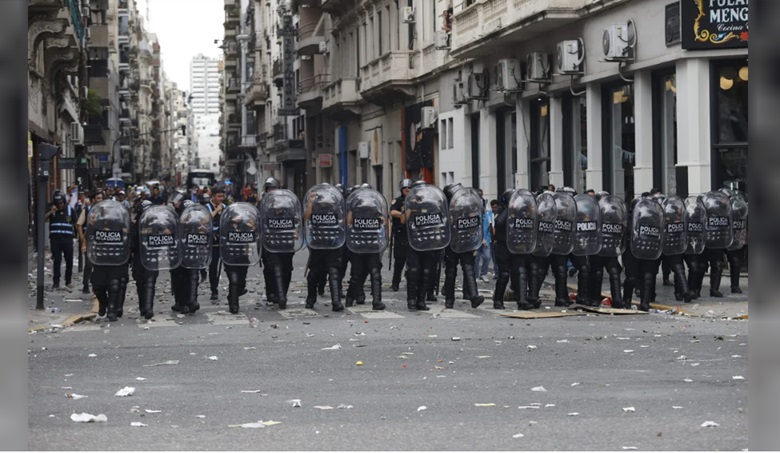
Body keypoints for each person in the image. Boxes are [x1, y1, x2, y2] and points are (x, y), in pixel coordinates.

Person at [303, 184, 346, 312]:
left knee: (333, 272)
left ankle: (336, 302)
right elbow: (306, 218)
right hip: (317, 244)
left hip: (332, 244)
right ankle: (310, 300)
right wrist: (310, 202)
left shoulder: (334, 208)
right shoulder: (314, 207)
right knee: (313, 274)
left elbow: (342, 223)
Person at [442, 184, 485, 309]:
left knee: (468, 268)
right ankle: (449, 299)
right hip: (451, 243)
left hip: (465, 242)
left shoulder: (465, 207)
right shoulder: (445, 209)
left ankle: (474, 296)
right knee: (451, 271)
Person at [344, 185, 386, 311]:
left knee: (375, 272)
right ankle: (350, 298)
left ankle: (377, 301)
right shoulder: (354, 207)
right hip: (358, 244)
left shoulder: (374, 208)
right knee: (357, 274)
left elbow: (383, 221)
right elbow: (348, 223)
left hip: (372, 244)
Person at [46, 192, 76, 290]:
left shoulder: (70, 211)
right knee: (57, 261)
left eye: (62, 203)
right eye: (58, 203)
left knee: (69, 261)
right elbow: (42, 219)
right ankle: (56, 282)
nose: (60, 205)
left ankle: (68, 281)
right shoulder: (52, 211)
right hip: (55, 241)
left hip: (67, 240)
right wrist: (51, 212)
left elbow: (76, 223)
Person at [77, 191, 104, 294]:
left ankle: (97, 284)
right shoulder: (87, 210)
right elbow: (79, 224)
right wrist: (82, 240)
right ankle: (85, 283)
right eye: (98, 198)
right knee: (89, 264)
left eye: (101, 198)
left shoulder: (103, 211)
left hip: (100, 241)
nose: (100, 200)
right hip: (89, 241)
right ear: (93, 200)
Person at [389, 179, 413, 291]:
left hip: (412, 234)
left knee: (412, 261)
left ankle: (411, 282)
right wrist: (402, 214)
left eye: (409, 187)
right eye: (405, 188)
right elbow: (392, 212)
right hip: (400, 234)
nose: (407, 189)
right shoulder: (398, 201)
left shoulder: (415, 201)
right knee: (399, 261)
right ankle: (395, 282)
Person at [206, 186, 226, 302]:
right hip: (211, 240)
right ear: (213, 196)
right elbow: (205, 220)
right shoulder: (207, 207)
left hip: (223, 239)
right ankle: (214, 289)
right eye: (219, 196)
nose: (221, 199)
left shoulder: (224, 207)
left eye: (222, 196)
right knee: (213, 266)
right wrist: (216, 211)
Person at [474, 199, 493, 283]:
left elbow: (490, 227)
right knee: (476, 259)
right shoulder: (475, 215)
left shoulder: (488, 215)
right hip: (476, 240)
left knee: (487, 257)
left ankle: (483, 273)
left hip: (486, 240)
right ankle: (476, 275)